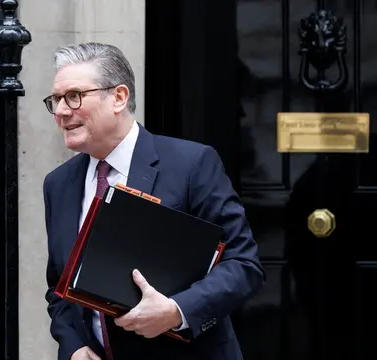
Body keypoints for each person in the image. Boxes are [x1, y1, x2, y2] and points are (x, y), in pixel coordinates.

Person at [42, 42, 265, 360]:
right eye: (56, 100)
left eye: (74, 96)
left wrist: (176, 311)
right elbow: (59, 286)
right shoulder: (58, 184)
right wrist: (74, 346)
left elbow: (243, 266)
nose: (62, 111)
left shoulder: (191, 164)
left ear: (119, 97)